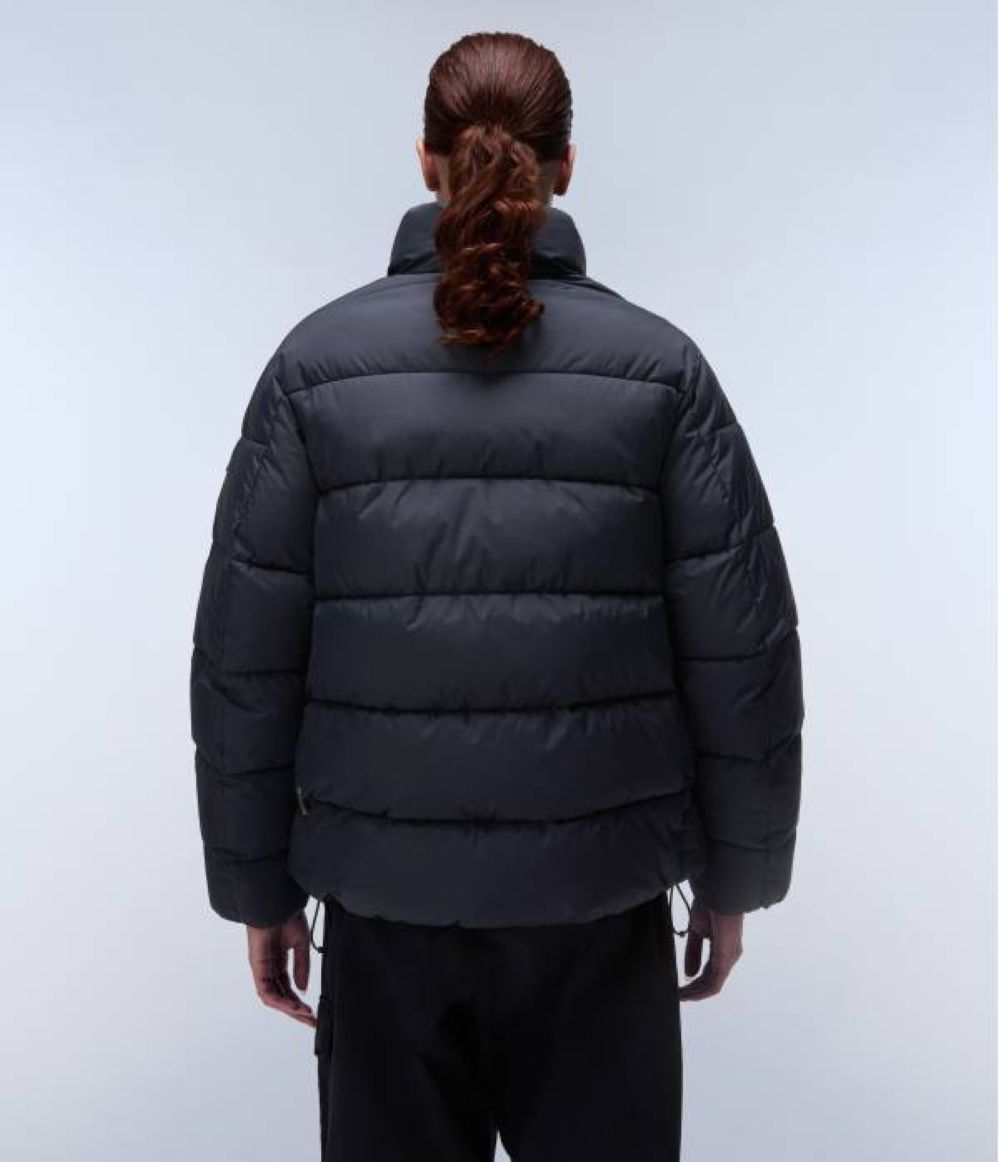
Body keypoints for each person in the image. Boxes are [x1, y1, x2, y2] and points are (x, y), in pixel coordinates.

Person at [189, 30, 804, 1162]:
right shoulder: (661, 372)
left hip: (383, 912)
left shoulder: (314, 370)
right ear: (566, 165)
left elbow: (245, 659)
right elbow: (743, 651)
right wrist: (735, 878)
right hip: (600, 908)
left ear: (424, 158)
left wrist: (257, 885)